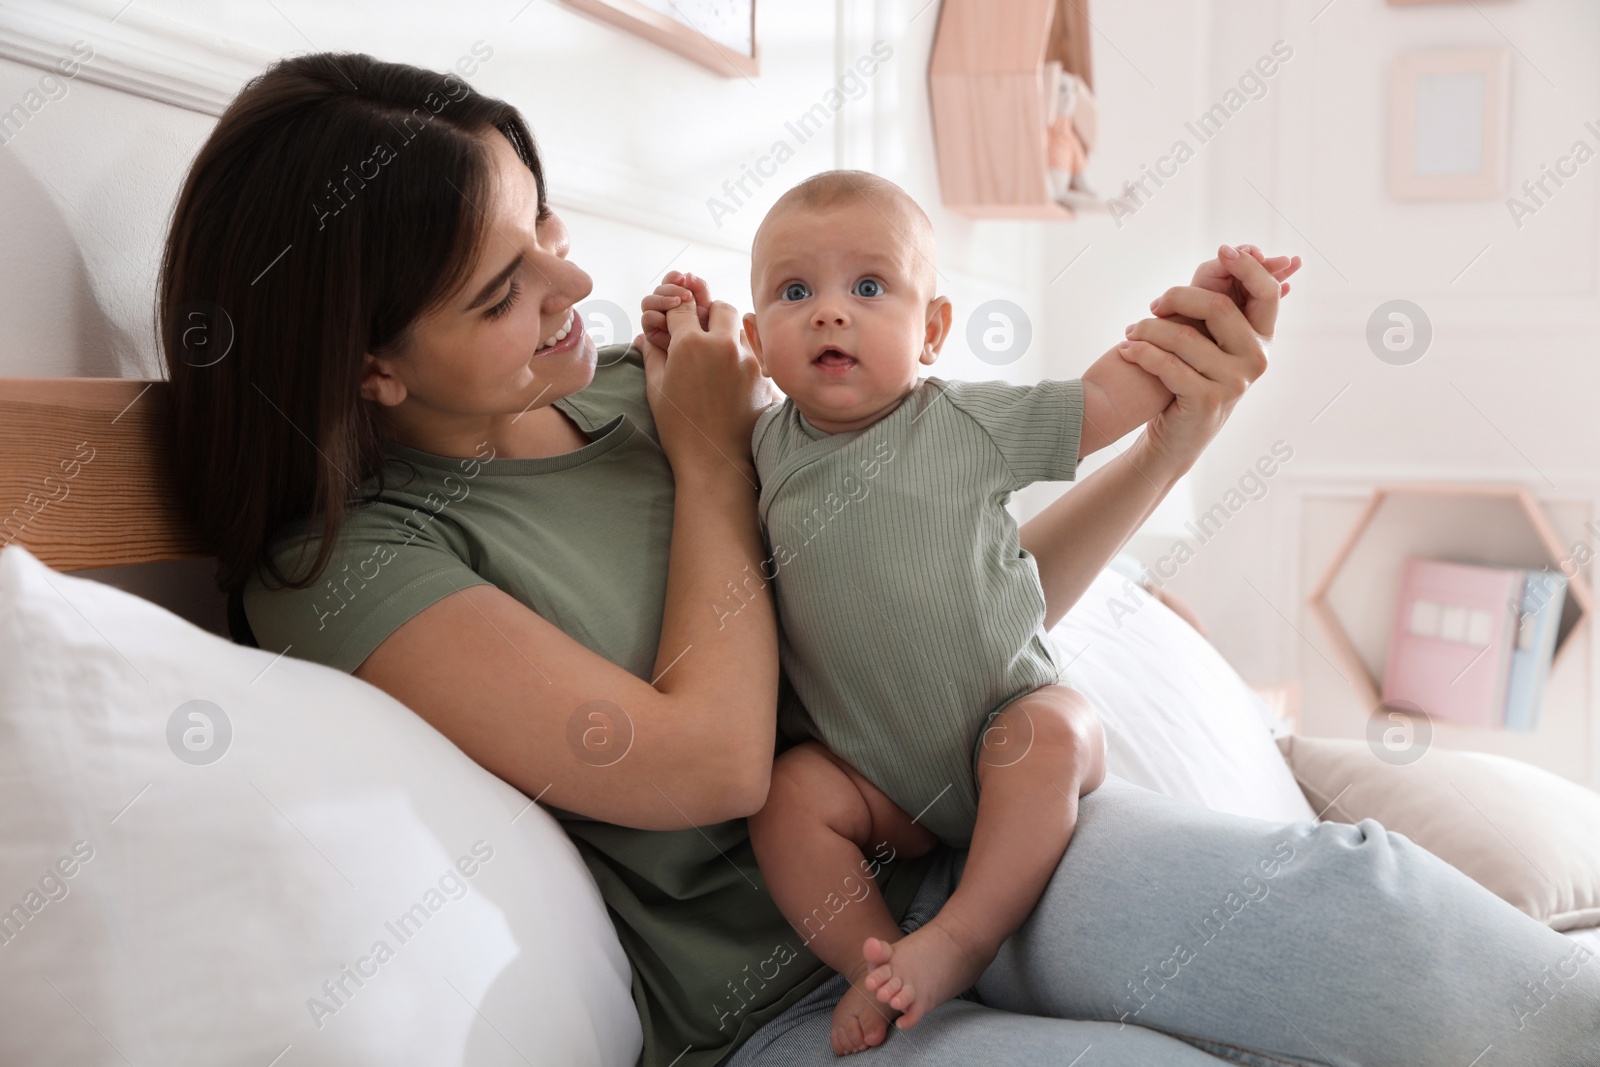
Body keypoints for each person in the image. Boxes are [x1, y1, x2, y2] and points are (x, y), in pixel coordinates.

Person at [162, 53, 1598, 1067]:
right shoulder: (355, 570)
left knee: (1377, 916)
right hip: (785, 995)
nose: (574, 288)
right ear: (370, 368)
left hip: (978, 835)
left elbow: (951, 602)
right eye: (503, 287)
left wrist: (1164, 446)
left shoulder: (626, 384)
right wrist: (715, 451)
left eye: (549, 228)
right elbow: (714, 765)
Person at [645, 170, 1287, 1054]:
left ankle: (962, 936)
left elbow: (1105, 399)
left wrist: (1196, 319)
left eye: (869, 287)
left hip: (1007, 731)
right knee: (789, 799)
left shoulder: (964, 422)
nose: (831, 312)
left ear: (933, 329)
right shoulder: (758, 449)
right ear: (757, 336)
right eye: (796, 292)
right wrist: (679, 324)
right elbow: (703, 395)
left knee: (1052, 732)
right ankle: (873, 963)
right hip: (880, 785)